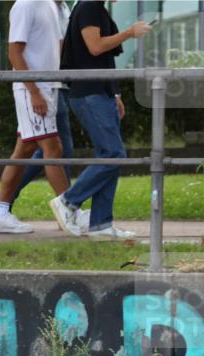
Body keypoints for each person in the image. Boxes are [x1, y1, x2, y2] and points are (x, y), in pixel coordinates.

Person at [49, 0, 151, 239]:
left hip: (98, 93)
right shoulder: (90, 7)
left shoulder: (94, 8)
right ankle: (68, 201)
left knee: (110, 156)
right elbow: (95, 47)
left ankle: (101, 225)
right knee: (115, 155)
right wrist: (129, 33)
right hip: (89, 94)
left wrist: (114, 92)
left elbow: (100, 59)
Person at [0, 1, 80, 224]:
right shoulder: (25, 6)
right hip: (32, 89)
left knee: (25, 149)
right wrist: (34, 91)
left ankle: (0, 212)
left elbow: (57, 46)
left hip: (48, 87)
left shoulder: (49, 5)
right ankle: (70, 212)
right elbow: (14, 53)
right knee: (53, 147)